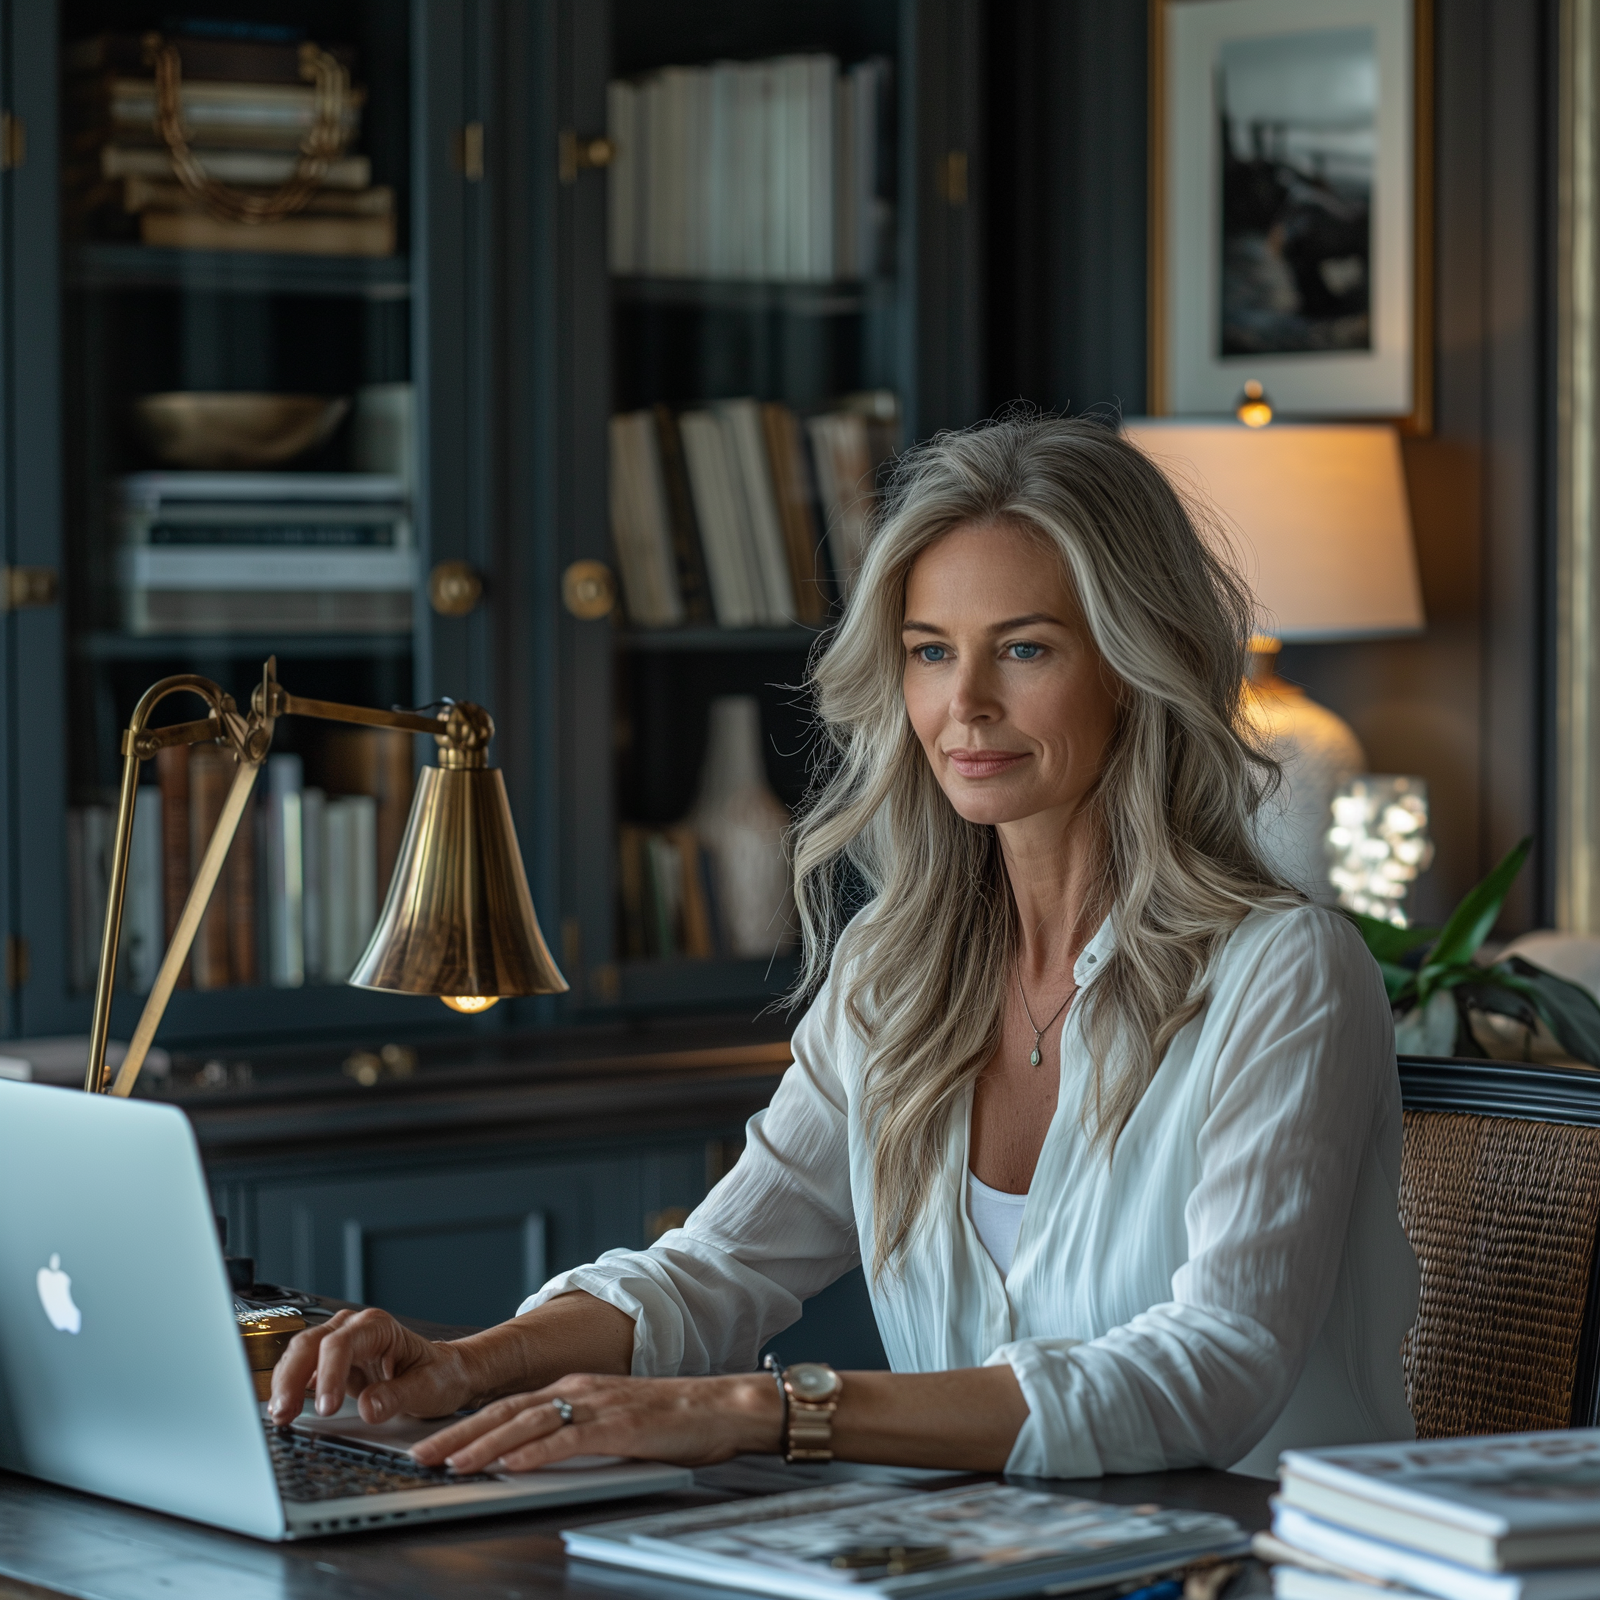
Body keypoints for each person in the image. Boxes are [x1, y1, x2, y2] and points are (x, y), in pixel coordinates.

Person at [270, 415, 1418, 1479]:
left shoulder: (1284, 973)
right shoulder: (895, 972)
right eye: (929, 650)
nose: (962, 703)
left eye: (1022, 650)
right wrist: (467, 1361)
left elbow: (1213, 1370)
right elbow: (715, 1269)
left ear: (1135, 663)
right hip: (976, 1563)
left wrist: (765, 1408)